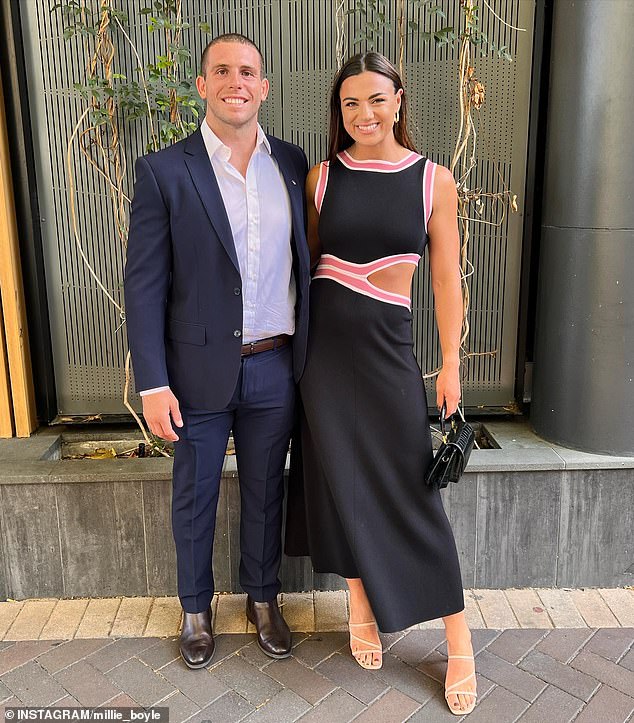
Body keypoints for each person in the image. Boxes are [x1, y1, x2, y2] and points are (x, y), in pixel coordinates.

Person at [294, 52, 477, 715]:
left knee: (411, 490)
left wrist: (451, 361)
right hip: (324, 358)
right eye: (350, 103)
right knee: (335, 476)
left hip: (389, 351)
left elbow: (447, 278)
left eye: (376, 99)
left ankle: (458, 638)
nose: (364, 113)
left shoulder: (434, 180)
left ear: (399, 101)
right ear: (337, 113)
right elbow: (305, 267)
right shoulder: (321, 177)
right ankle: (361, 602)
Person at [124, 33, 310, 669]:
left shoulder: (292, 162)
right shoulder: (163, 171)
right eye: (222, 70)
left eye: (248, 71)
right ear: (201, 85)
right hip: (194, 373)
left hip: (275, 364)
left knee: (266, 491)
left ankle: (263, 600)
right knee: (196, 493)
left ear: (264, 87)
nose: (236, 81)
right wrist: (152, 382)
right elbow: (144, 285)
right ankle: (196, 610)